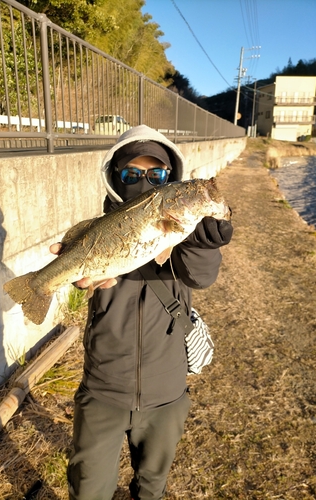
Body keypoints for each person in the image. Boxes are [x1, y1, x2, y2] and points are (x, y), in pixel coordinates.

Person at [50, 125, 233, 500]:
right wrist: (75, 274)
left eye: (157, 174)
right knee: (87, 489)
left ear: (171, 179)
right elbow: (82, 277)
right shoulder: (100, 229)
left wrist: (203, 244)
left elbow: (200, 277)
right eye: (131, 174)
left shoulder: (183, 234)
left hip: (166, 394)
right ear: (114, 178)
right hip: (103, 388)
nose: (144, 181)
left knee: (151, 488)